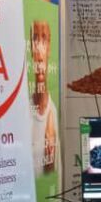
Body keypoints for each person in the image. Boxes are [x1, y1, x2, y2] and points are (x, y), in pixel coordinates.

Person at [30, 19, 59, 176]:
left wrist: (50, 163)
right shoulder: (22, 110)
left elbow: (54, 175)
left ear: (49, 47)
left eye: (44, 39)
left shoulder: (53, 113)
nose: (40, 54)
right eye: (35, 39)